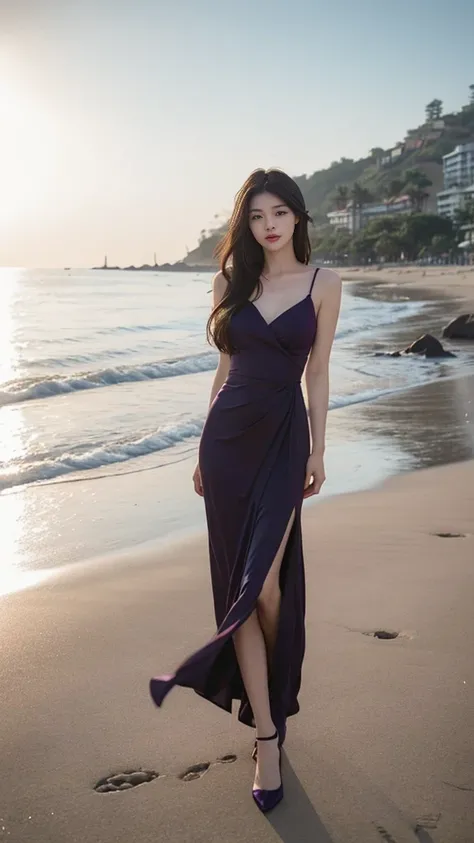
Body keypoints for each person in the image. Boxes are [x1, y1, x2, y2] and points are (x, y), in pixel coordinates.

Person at [150, 168, 341, 812]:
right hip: (228, 443)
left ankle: (279, 682)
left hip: (285, 440)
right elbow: (224, 369)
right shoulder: (228, 284)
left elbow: (317, 374)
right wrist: (204, 449)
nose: (269, 225)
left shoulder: (324, 283)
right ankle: (266, 734)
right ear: (248, 226)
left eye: (280, 213)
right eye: (258, 216)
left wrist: (318, 447)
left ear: (297, 219)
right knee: (241, 587)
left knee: (266, 587)